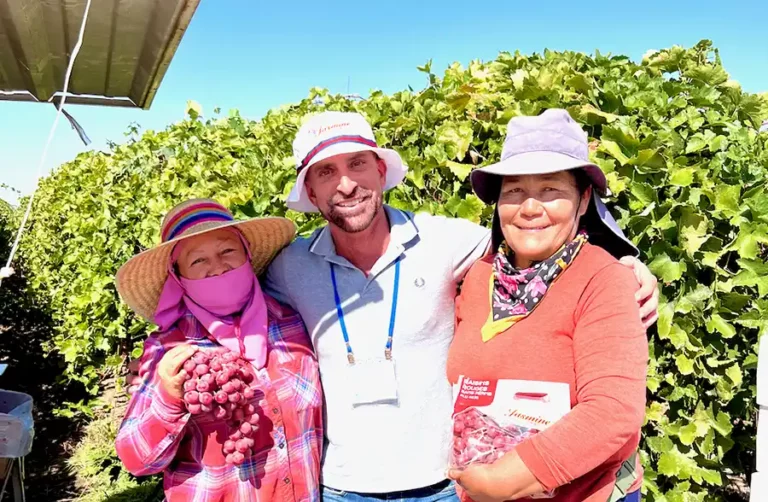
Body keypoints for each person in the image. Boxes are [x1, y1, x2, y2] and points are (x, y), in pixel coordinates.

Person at [125, 111, 658, 501]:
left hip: (447, 485)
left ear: (382, 171)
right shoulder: (287, 268)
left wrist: (626, 265)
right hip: (340, 487)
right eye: (325, 172)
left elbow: (541, 240)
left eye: (358, 163)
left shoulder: (452, 243)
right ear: (308, 189)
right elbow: (224, 292)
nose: (347, 183)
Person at [445, 109, 648, 502]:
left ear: (583, 199)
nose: (530, 207)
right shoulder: (477, 277)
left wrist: (508, 481)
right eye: (515, 191)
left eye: (551, 190)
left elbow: (612, 413)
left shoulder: (605, 280)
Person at [114, 199, 323, 502]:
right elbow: (137, 460)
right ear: (178, 276)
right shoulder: (168, 350)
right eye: (198, 261)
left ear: (247, 256)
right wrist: (169, 400)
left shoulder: (291, 323)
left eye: (228, 251)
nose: (217, 268)